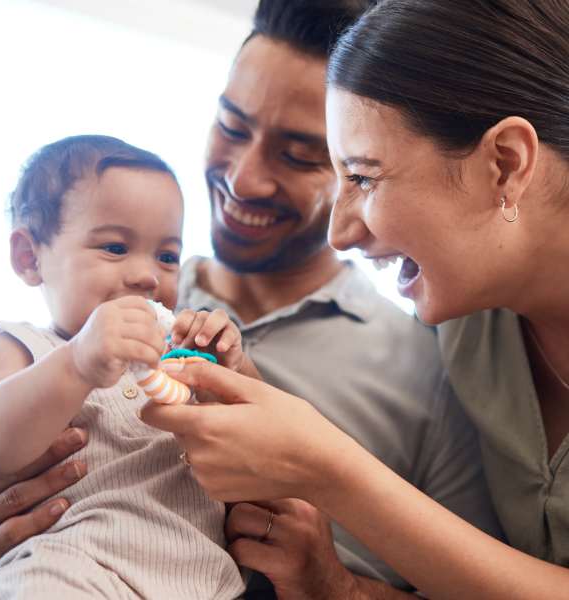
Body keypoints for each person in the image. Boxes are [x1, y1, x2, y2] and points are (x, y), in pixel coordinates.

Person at [0, 2, 501, 599]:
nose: (244, 179)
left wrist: (333, 583)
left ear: (359, 170)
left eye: (300, 154)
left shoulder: (427, 366)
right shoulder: (73, 320)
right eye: (231, 126)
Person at [139, 0, 569, 598]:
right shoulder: (467, 325)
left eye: (363, 177)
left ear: (505, 164)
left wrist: (325, 469)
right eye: (232, 127)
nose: (340, 234)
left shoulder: (428, 366)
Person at [0, 135, 255, 599]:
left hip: (205, 582)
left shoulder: (179, 358)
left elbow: (260, 438)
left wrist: (235, 369)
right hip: (71, 570)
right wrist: (77, 363)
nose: (147, 275)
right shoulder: (23, 347)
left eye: (166, 256)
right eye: (115, 248)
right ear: (29, 257)